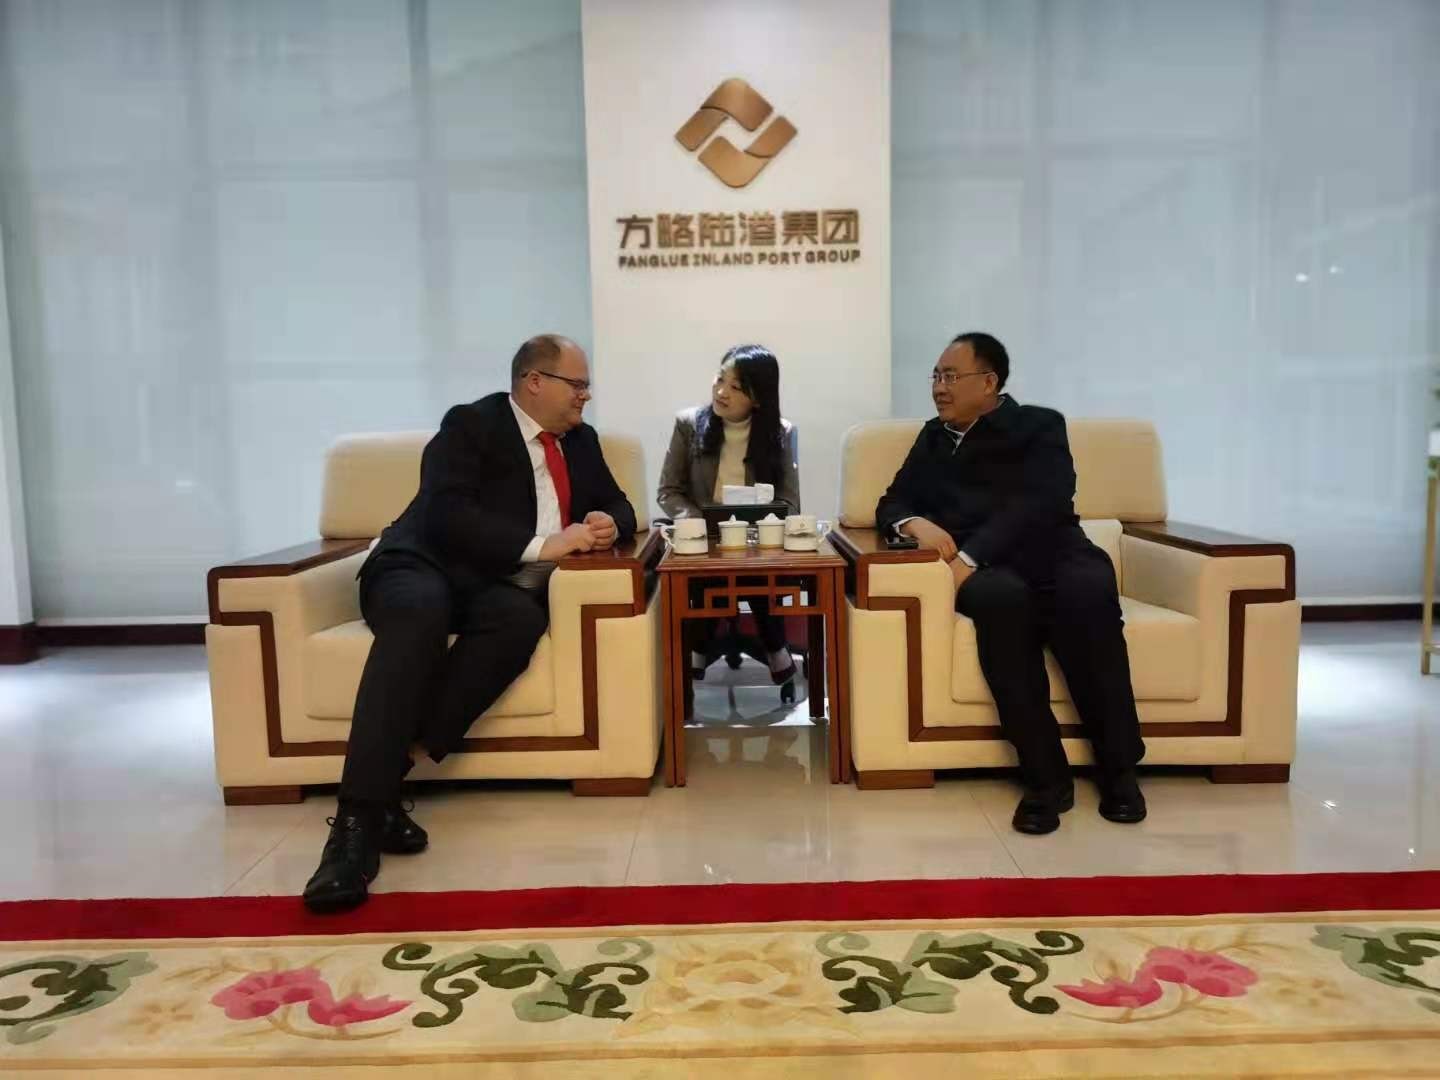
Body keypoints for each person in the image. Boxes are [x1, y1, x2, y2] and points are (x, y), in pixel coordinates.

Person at [303, 334, 637, 912]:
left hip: (486, 583)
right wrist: (544, 545)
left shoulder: (580, 441)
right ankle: (353, 830)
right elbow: (446, 515)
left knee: (518, 620)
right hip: (417, 565)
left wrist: (610, 521)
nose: (585, 396)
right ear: (535, 382)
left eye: (586, 386)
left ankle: (388, 777)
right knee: (421, 614)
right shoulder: (471, 425)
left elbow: (623, 504)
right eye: (577, 385)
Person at [875, 332, 1147, 835]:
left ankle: (1119, 770)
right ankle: (1045, 779)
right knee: (1003, 602)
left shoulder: (1040, 425)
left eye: (950, 376)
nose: (938, 387)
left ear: (989, 382)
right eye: (935, 376)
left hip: (1054, 552)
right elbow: (891, 502)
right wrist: (915, 524)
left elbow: (1042, 503)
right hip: (991, 575)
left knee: (1087, 593)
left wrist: (969, 556)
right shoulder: (933, 437)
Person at [657, 344, 800, 690]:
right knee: (717, 567)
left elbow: (789, 502)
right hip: (702, 538)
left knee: (749, 566)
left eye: (736, 387)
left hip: (756, 541)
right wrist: (701, 525)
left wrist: (755, 531)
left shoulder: (780, 432)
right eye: (720, 379)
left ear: (758, 397)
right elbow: (669, 491)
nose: (722, 392)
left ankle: (700, 646)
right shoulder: (689, 425)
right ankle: (774, 646)